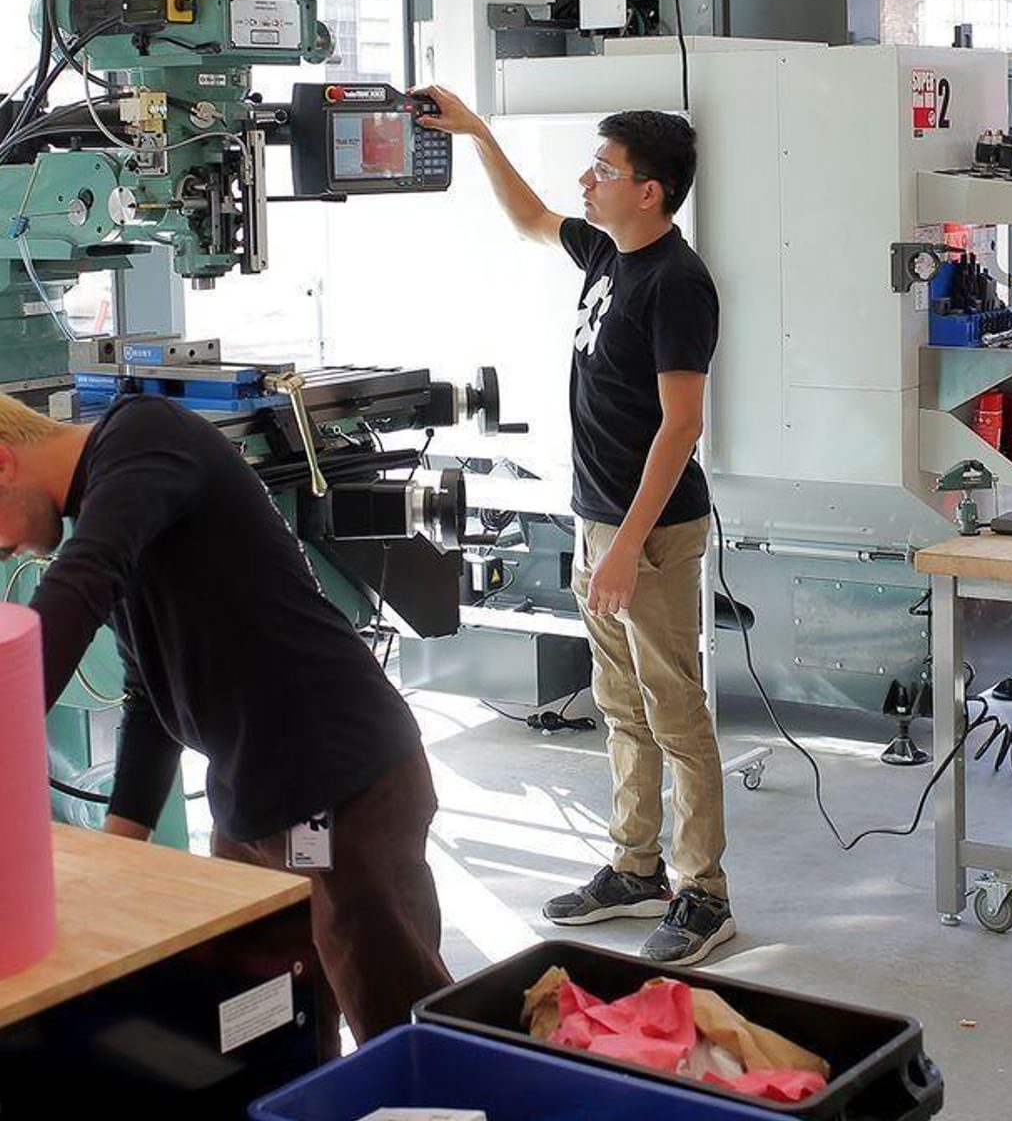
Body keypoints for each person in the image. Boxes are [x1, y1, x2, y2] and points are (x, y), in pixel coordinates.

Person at [5, 391, 450, 1053]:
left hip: (343, 785)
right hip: (251, 806)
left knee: (404, 1036)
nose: (2, 546)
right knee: (268, 1036)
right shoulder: (114, 502)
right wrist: (120, 847)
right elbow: (150, 697)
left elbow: (85, 578)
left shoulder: (142, 434)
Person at [415, 88, 733, 966]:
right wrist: (477, 134)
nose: (588, 180)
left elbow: (681, 427)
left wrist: (627, 547)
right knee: (620, 706)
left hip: (653, 532)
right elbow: (528, 218)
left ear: (653, 192)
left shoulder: (678, 284)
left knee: (674, 710)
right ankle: (636, 868)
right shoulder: (608, 254)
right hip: (601, 520)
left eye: (605, 170)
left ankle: (703, 891)